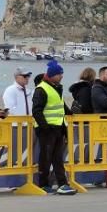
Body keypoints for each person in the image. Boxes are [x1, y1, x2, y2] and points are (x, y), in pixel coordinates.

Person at [32, 60, 76, 195]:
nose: (61, 76)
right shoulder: (41, 89)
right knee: (46, 157)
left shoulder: (56, 87)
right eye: (59, 74)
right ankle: (44, 184)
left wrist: (71, 113)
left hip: (58, 127)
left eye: (61, 73)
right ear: (51, 75)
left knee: (57, 157)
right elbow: (37, 111)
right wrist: (45, 127)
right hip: (47, 129)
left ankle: (62, 184)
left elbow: (60, 105)